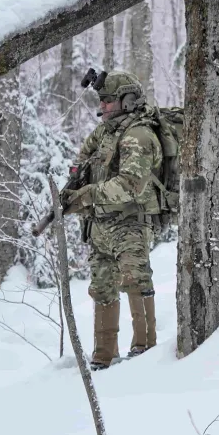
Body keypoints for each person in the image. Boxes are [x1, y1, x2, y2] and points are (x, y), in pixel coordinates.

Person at [63, 71, 162, 370]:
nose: (103, 106)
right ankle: (103, 356)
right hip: (100, 226)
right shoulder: (103, 132)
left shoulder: (139, 135)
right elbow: (80, 168)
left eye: (108, 100)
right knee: (102, 286)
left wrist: (88, 194)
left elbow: (131, 183)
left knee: (135, 281)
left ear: (128, 100)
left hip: (130, 223)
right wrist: (72, 195)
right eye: (101, 100)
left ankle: (145, 352)